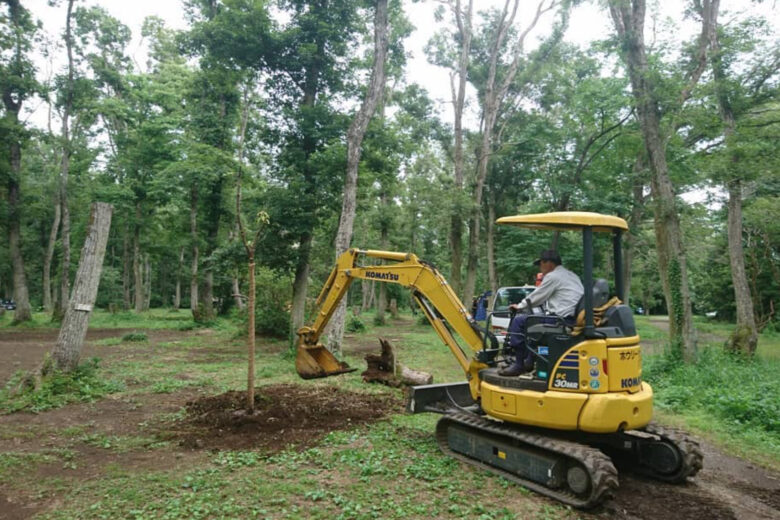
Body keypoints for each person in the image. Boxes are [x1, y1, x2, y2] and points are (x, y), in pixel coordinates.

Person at [498, 249, 584, 377]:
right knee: (535, 325)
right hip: (573, 318)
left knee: (520, 321)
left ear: (548, 263)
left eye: (541, 264)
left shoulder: (553, 276)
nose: (540, 268)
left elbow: (537, 296)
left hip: (562, 321)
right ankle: (529, 361)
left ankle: (519, 365)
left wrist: (520, 306)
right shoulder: (572, 275)